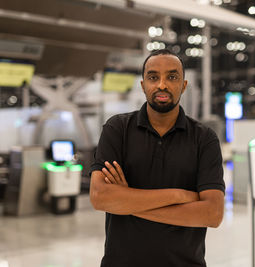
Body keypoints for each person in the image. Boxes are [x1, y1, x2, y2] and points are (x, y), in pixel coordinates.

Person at [89, 49, 225, 267]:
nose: (162, 85)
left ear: (183, 85)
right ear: (143, 85)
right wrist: (179, 195)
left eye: (172, 77)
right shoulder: (118, 129)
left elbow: (212, 214)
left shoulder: (204, 138)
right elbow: (100, 197)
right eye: (153, 77)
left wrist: (125, 201)